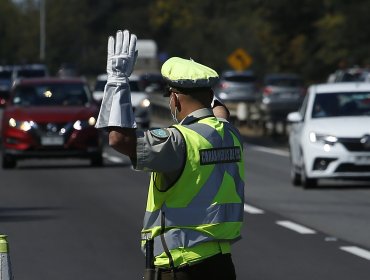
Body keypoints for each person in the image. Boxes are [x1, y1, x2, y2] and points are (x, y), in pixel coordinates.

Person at [96, 29, 245, 280]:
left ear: (174, 99)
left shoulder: (177, 141)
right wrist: (201, 82)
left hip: (180, 266)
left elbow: (119, 139)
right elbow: (220, 112)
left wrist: (118, 80)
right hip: (221, 264)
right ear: (209, 97)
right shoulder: (229, 133)